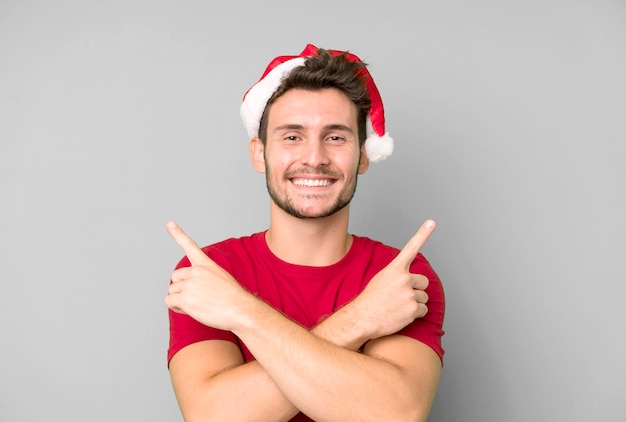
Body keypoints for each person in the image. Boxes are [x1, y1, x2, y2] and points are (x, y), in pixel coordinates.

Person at [165, 43, 446, 422]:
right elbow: (214, 416)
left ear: (363, 155)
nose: (314, 157)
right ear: (258, 153)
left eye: (335, 137)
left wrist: (237, 310)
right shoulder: (210, 272)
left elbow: (394, 413)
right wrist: (361, 318)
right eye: (292, 136)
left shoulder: (400, 276)